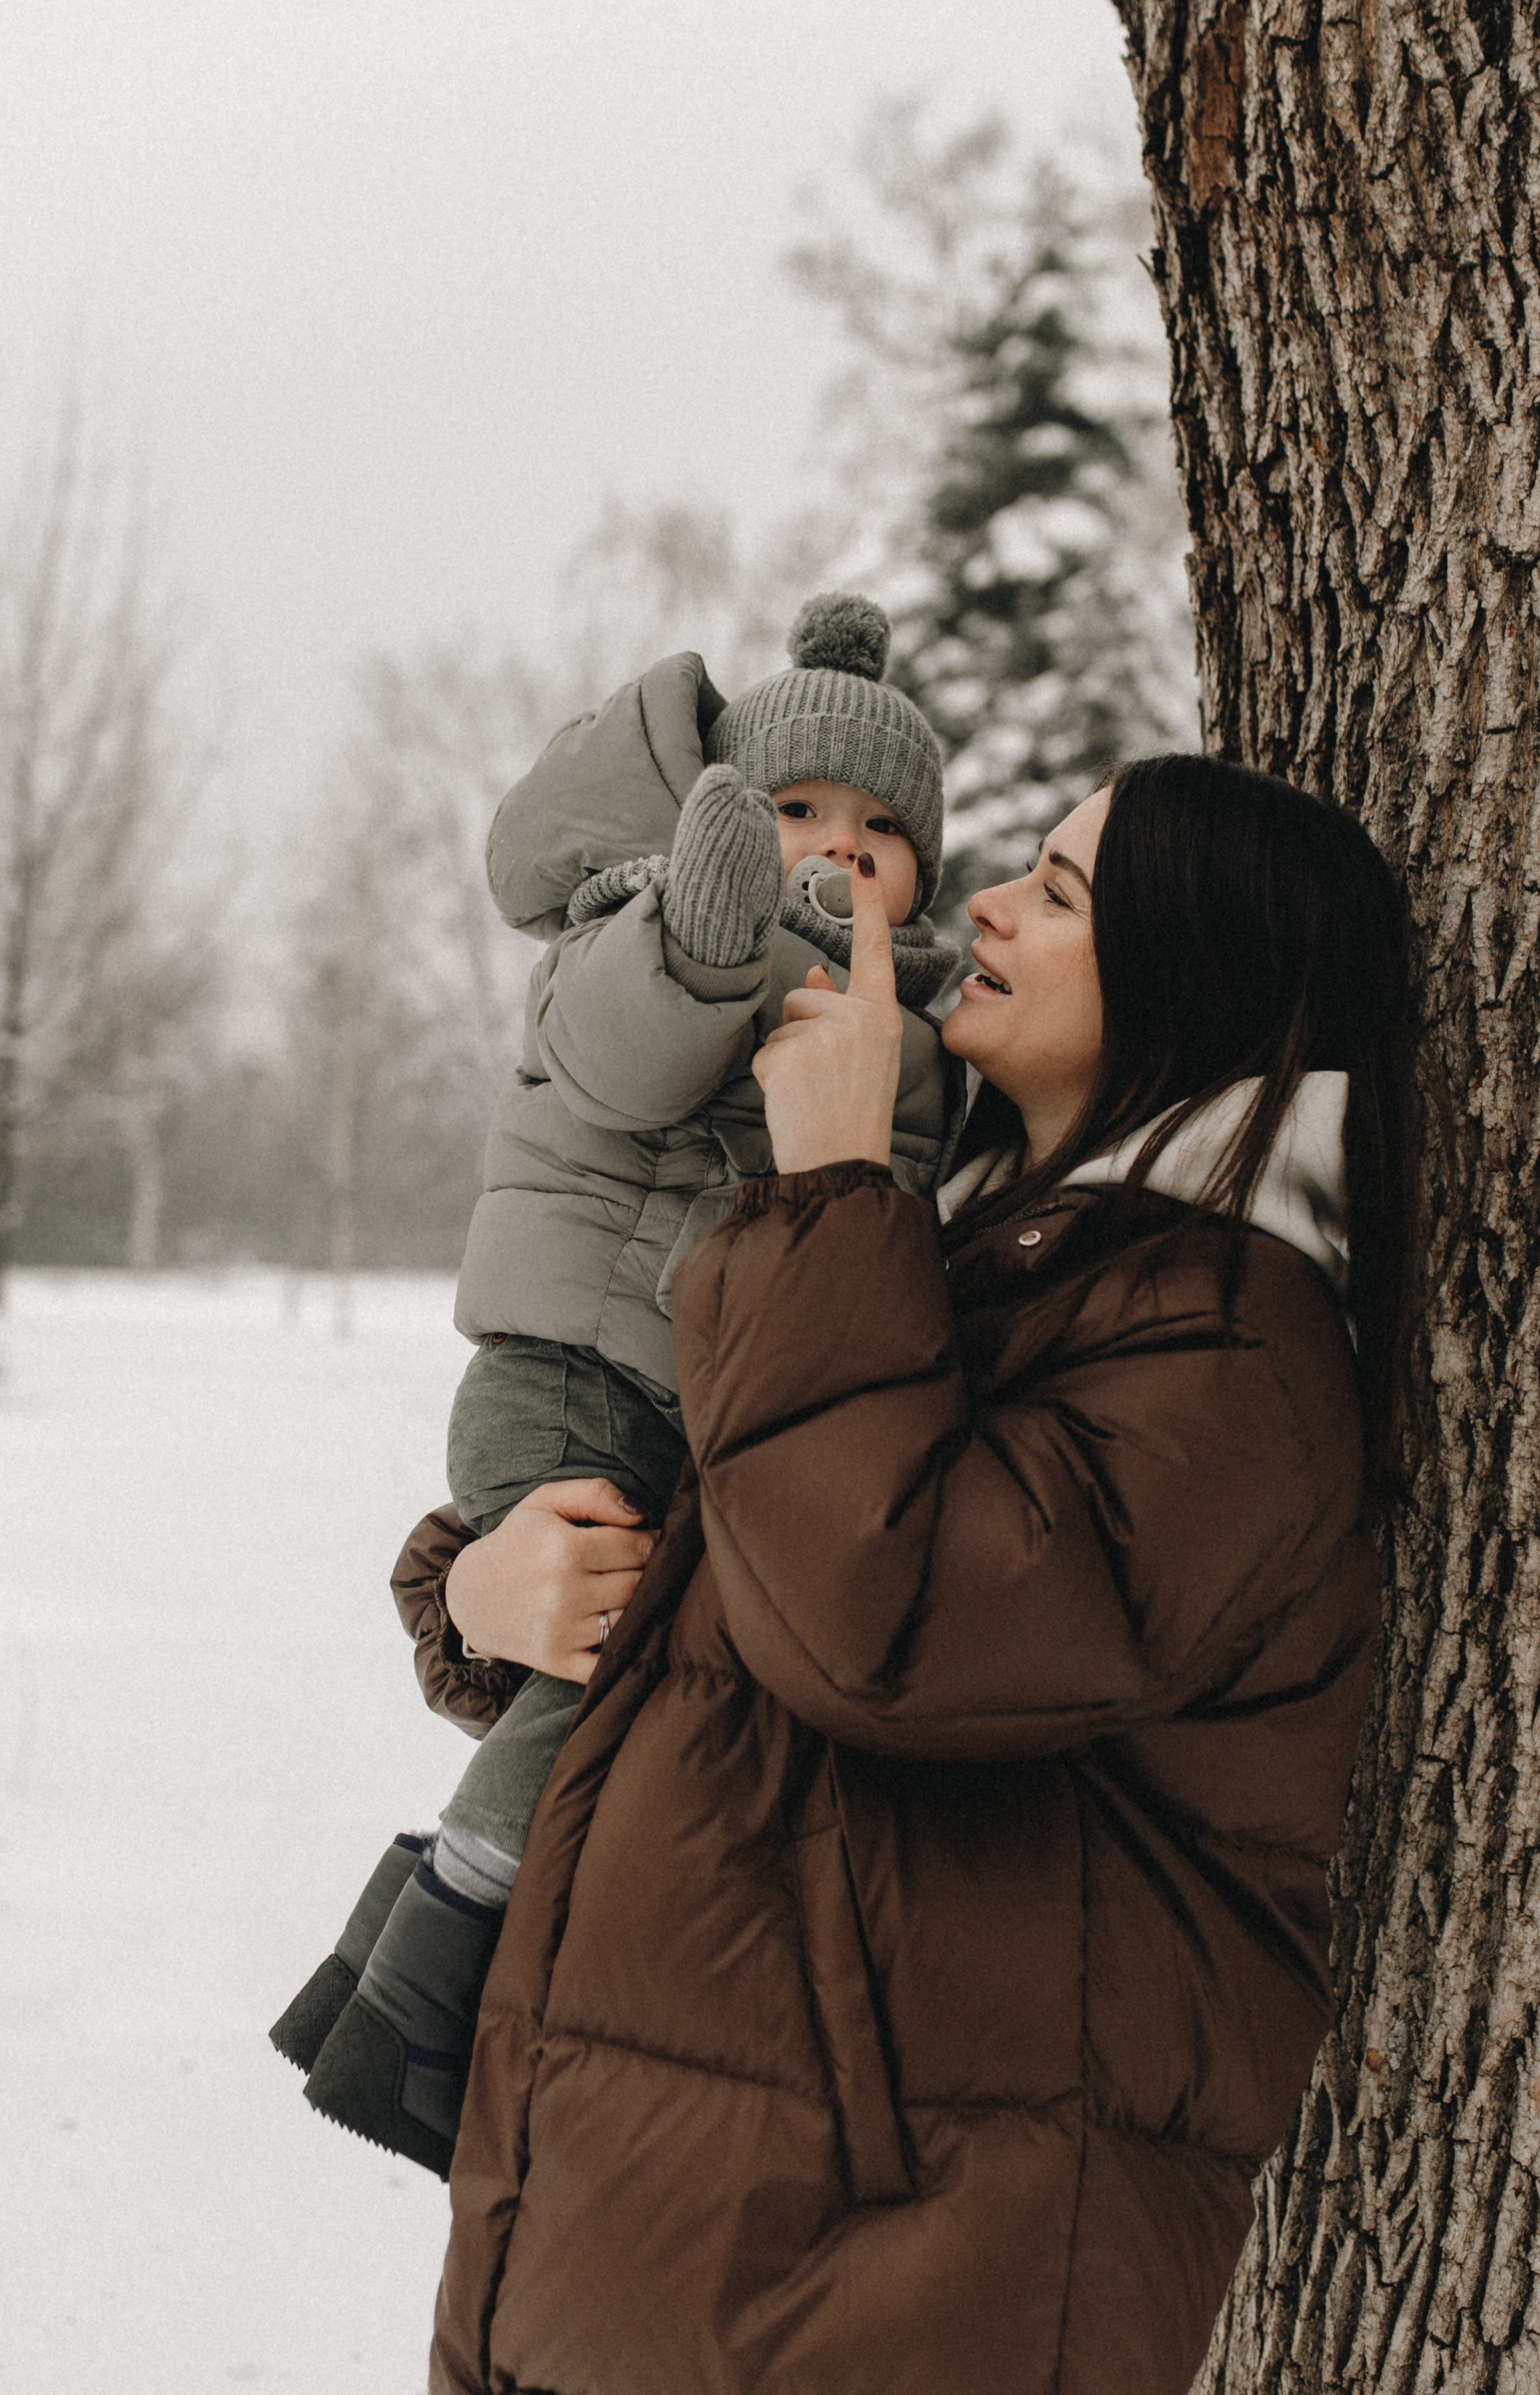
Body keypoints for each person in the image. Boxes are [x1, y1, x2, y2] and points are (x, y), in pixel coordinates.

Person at [392, 751, 1415, 2395]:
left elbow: (885, 1622)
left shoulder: (1231, 1345)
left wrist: (832, 1186)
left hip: (896, 2269)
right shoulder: (985, 1259)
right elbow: (740, 1552)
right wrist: (476, 1594)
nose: (985, 902)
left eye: (1063, 893)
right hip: (693, 2229)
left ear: (1195, 976)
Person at [269, 595, 964, 2178]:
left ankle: (396, 1980)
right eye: (794, 811)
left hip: (717, 1415)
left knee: (616, 1687)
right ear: (722, 818)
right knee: (599, 1672)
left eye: (880, 827)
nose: (839, 849)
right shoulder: (646, 935)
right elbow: (623, 1055)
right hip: (577, 1379)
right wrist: (704, 937)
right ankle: (429, 1994)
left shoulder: (927, 1027)